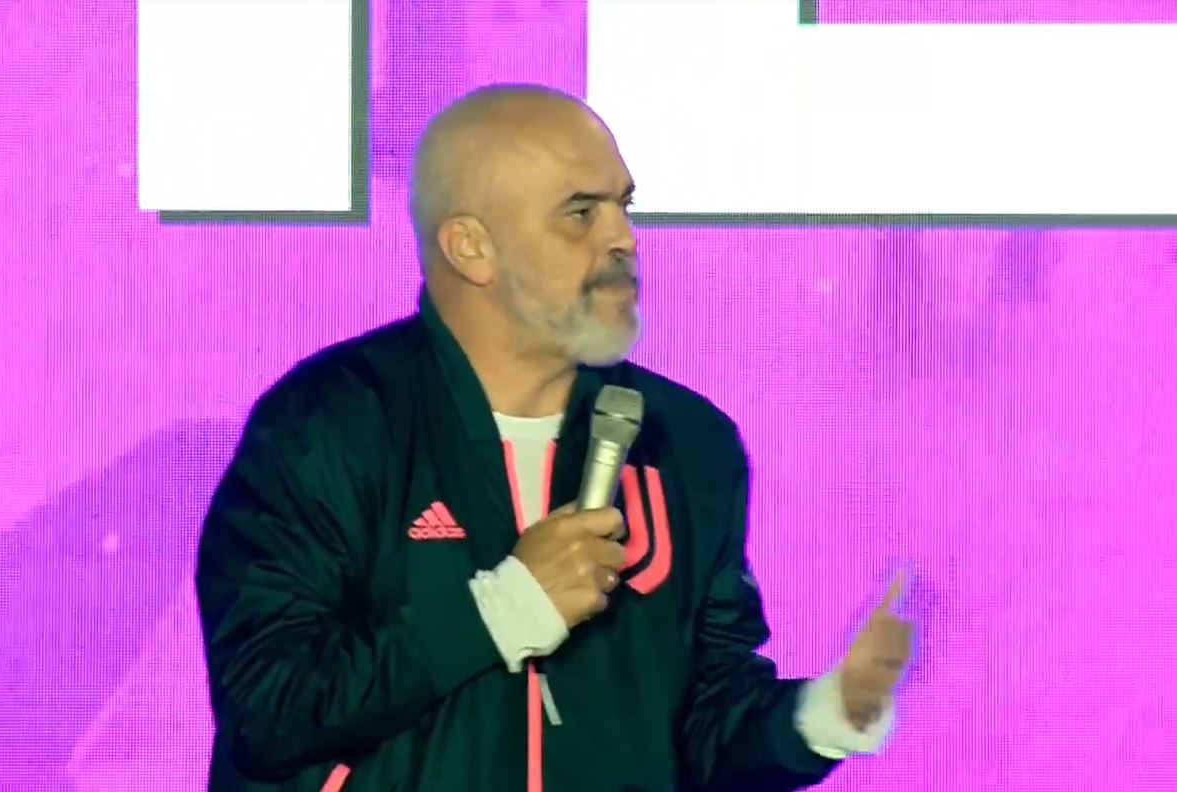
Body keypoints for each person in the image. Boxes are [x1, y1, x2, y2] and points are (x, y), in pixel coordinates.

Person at [195, 84, 913, 792]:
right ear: (471, 248)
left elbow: (703, 729)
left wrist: (820, 717)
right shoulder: (330, 425)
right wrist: (499, 613)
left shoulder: (686, 442)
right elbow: (269, 708)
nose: (623, 239)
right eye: (580, 213)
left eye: (624, 206)